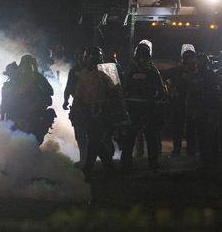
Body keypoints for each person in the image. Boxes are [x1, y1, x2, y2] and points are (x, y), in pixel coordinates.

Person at [73, 46, 121, 181]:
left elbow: (116, 91)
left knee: (94, 141)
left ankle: (87, 171)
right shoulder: (83, 74)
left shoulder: (105, 72)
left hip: (103, 112)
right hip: (89, 112)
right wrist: (74, 110)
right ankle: (111, 169)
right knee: (97, 142)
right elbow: (78, 94)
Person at [121, 42, 166, 174]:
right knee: (130, 137)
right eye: (140, 57)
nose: (142, 60)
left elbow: (161, 90)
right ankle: (126, 164)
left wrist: (154, 101)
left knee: (150, 137)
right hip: (133, 108)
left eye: (145, 57)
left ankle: (153, 164)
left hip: (148, 109)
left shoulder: (153, 71)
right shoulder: (130, 71)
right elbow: (124, 88)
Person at [189, 53, 222, 170]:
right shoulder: (194, 76)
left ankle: (214, 161)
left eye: (202, 62)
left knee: (212, 134)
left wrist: (220, 98)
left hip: (211, 108)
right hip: (200, 108)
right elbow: (190, 93)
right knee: (202, 135)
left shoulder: (211, 75)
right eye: (198, 62)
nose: (200, 65)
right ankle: (205, 161)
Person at [162, 49, 198, 157]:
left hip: (193, 104)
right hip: (178, 103)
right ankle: (176, 151)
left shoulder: (199, 71)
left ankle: (191, 152)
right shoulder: (176, 71)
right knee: (177, 129)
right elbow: (160, 76)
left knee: (192, 128)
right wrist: (169, 87)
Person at [63, 47, 88, 166]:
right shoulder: (74, 71)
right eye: (78, 55)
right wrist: (65, 101)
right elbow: (68, 87)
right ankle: (84, 158)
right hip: (78, 104)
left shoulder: (95, 69)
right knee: (80, 134)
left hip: (94, 104)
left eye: (82, 55)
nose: (80, 58)